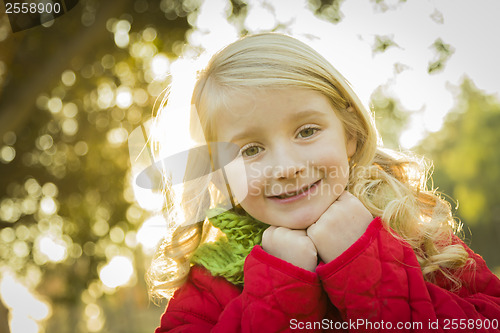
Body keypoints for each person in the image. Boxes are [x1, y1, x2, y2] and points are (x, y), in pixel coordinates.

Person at [149, 33, 500, 332]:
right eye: (251, 149)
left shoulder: (417, 236)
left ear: (349, 134)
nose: (286, 167)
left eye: (307, 131)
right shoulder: (207, 291)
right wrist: (281, 287)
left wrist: (363, 262)